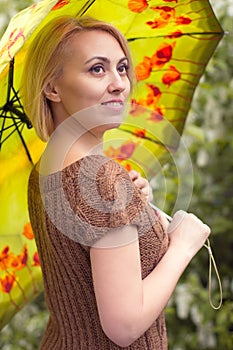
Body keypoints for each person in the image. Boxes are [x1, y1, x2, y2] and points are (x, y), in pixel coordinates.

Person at [21, 16, 211, 349]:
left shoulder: (46, 168)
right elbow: (123, 326)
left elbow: (78, 266)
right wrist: (184, 245)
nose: (119, 83)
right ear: (52, 88)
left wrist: (134, 206)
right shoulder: (100, 180)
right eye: (97, 69)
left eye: (121, 68)